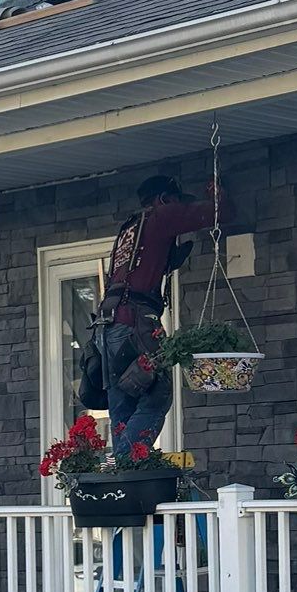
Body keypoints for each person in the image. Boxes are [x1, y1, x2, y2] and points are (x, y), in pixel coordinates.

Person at [83, 174, 230, 456]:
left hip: (107, 326)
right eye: (176, 203)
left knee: (122, 404)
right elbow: (219, 213)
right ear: (164, 199)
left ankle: (124, 477)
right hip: (134, 324)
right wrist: (216, 193)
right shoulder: (161, 215)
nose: (178, 209)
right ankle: (125, 462)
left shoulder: (130, 228)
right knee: (156, 397)